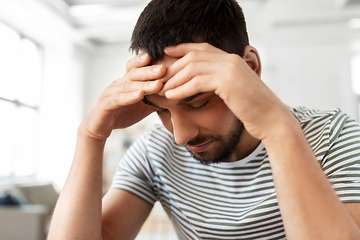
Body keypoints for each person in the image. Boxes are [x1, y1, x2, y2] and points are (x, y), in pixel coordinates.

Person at [47, 0, 360, 239]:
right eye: (162, 110)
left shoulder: (333, 135)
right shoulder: (157, 151)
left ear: (249, 68)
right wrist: (90, 135)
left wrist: (278, 129)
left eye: (198, 103)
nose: (181, 136)